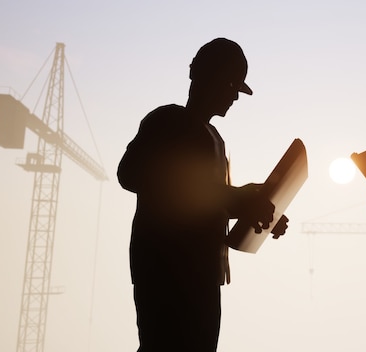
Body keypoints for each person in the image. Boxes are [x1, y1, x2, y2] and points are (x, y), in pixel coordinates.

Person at [118, 38, 288, 352]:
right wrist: (236, 198)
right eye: (231, 85)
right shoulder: (167, 121)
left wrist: (257, 208)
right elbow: (130, 174)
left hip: (203, 276)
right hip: (168, 273)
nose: (235, 96)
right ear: (201, 76)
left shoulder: (215, 140)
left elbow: (212, 203)